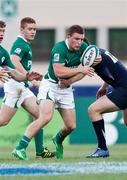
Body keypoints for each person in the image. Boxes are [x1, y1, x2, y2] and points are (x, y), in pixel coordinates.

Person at [12, 24, 102, 160]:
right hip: (50, 86)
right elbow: (58, 71)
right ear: (68, 36)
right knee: (45, 117)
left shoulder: (84, 48)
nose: (79, 42)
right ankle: (20, 148)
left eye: (81, 39)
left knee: (71, 126)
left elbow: (87, 71)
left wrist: (70, 81)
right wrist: (80, 69)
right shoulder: (59, 48)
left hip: (66, 89)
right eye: (76, 39)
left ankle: (58, 139)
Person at [0, 18, 55, 160]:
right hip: (14, 88)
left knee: (40, 115)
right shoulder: (21, 44)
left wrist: (28, 78)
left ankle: (39, 150)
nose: (1, 34)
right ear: (22, 30)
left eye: (3, 31)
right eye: (30, 29)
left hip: (22, 87)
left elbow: (13, 72)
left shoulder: (3, 52)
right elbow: (14, 60)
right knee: (3, 121)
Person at [59, 47, 127, 158]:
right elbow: (110, 72)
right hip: (123, 86)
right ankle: (102, 148)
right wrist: (104, 87)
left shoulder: (92, 55)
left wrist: (68, 81)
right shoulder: (98, 52)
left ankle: (102, 148)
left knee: (93, 109)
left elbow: (83, 73)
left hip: (124, 89)